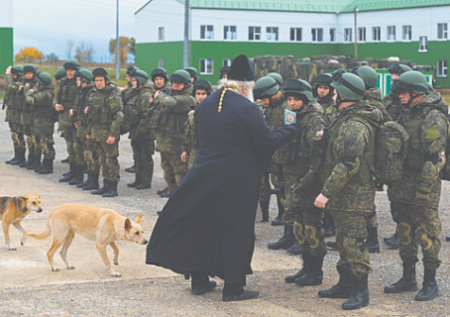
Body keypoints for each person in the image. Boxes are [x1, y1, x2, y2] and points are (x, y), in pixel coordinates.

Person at [146, 54, 298, 302]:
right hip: (237, 181)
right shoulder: (248, 108)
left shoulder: (207, 103)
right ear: (247, 86)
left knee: (203, 226)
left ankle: (199, 280)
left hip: (203, 174)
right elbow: (266, 144)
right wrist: (289, 129)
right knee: (236, 231)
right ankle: (234, 288)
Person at [315, 71, 383, 310]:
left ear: (343, 95)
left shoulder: (355, 124)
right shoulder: (345, 118)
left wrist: (326, 192)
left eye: (334, 91)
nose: (331, 95)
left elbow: (348, 164)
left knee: (353, 242)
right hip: (346, 193)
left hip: (355, 194)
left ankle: (360, 291)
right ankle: (345, 284)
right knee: (343, 240)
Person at [384, 71, 447, 302]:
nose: (399, 96)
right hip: (402, 182)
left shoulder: (432, 117)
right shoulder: (406, 113)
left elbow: (435, 158)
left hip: (423, 184)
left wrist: (423, 191)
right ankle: (408, 277)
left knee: (427, 233)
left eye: (403, 92)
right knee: (405, 230)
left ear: (417, 92)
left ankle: (430, 283)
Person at [279, 78, 329, 287]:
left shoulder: (314, 120)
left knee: (312, 228)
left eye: (295, 100)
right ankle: (305, 267)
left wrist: (307, 181)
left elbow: (317, 157)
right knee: (298, 227)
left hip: (308, 181)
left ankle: (315, 271)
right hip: (293, 178)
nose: (291, 103)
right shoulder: (292, 117)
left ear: (305, 100)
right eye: (289, 99)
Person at [151, 69, 196, 198]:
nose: (175, 85)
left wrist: (159, 95)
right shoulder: (170, 94)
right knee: (167, 172)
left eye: (179, 83)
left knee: (180, 175)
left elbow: (169, 102)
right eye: (174, 82)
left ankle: (182, 204)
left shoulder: (188, 99)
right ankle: (173, 201)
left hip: (178, 144)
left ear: (186, 84)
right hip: (165, 142)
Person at [382, 63, 412, 249]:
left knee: (405, 198)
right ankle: (399, 230)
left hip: (405, 157)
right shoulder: (389, 100)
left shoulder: (408, 103)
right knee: (394, 196)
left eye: (397, 80)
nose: (394, 84)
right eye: (392, 80)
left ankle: (405, 234)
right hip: (391, 154)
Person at [253, 76, 287, 224]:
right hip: (265, 153)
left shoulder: (287, 108)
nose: (264, 102)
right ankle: (264, 214)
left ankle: (282, 214)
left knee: (280, 184)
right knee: (261, 184)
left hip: (281, 155)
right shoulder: (265, 108)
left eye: (266, 98)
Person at [86, 68, 124, 197]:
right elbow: (91, 116)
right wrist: (89, 132)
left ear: (106, 81)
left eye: (101, 80)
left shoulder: (112, 95)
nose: (99, 83)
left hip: (108, 134)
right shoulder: (95, 94)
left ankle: (113, 187)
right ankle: (106, 185)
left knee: (111, 160)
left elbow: (118, 116)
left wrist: (112, 134)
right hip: (97, 134)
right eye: (96, 80)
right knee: (102, 160)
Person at [125, 70, 155, 190]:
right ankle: (138, 180)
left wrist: (140, 131)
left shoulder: (146, 95)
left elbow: (146, 115)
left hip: (145, 133)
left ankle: (146, 181)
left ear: (140, 81)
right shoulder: (136, 93)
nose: (132, 82)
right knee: (137, 157)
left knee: (145, 157)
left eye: (134, 80)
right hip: (136, 131)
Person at [55, 59, 81, 182]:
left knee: (77, 147)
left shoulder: (79, 83)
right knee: (70, 147)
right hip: (64, 119)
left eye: (72, 70)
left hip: (75, 119)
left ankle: (78, 174)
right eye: (68, 70)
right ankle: (72, 172)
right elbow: (55, 97)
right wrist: (55, 105)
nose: (70, 73)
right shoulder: (62, 82)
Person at [24, 72, 56, 174]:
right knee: (40, 142)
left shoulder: (47, 94)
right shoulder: (44, 91)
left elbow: (30, 99)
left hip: (46, 122)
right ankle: (41, 164)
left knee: (47, 144)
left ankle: (48, 166)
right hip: (40, 121)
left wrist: (28, 91)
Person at [72, 69, 98, 188]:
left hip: (89, 128)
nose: (76, 82)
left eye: (78, 80)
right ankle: (84, 178)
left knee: (91, 154)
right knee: (81, 151)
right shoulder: (81, 92)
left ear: (84, 81)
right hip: (81, 126)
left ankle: (93, 181)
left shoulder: (91, 93)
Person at [181, 79, 213, 170]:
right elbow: (187, 133)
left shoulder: (213, 111)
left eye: (203, 94)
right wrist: (184, 150)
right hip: (194, 151)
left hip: (207, 151)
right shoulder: (192, 111)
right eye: (198, 94)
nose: (200, 97)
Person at [18, 64, 39, 169]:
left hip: (33, 115)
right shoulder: (24, 83)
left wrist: (25, 88)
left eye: (30, 73)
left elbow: (30, 97)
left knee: (34, 139)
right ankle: (30, 160)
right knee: (29, 139)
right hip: (25, 115)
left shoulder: (36, 84)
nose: (28, 75)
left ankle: (35, 160)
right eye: (26, 73)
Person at [4, 65, 25, 165]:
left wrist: (7, 75)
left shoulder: (20, 83)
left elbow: (10, 86)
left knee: (18, 135)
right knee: (14, 135)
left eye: (12, 74)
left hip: (18, 115)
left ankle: (21, 157)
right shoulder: (16, 82)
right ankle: (17, 156)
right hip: (13, 114)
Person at [122, 65, 139, 173]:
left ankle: (138, 165)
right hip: (131, 120)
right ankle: (136, 164)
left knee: (139, 147)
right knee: (135, 145)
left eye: (129, 77)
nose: (127, 79)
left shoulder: (135, 89)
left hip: (137, 121)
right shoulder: (129, 88)